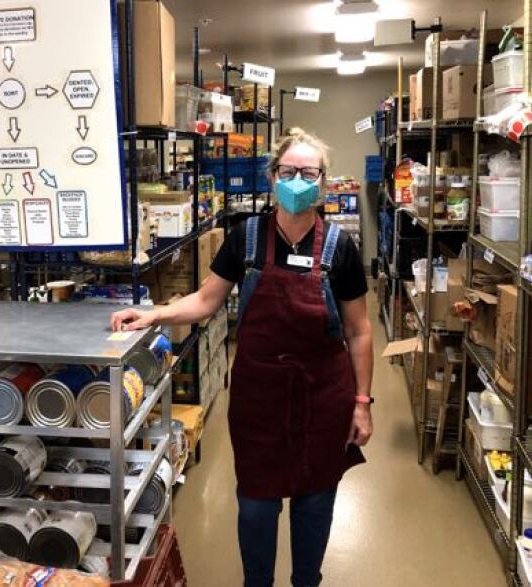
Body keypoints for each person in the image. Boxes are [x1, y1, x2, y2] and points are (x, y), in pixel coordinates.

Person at [111, 128, 373, 587]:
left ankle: (307, 581)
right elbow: (205, 301)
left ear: (323, 182)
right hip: (259, 397)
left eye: (307, 173)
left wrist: (362, 403)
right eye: (288, 171)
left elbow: (359, 330)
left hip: (323, 396)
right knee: (256, 507)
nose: (297, 181)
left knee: (314, 506)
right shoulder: (246, 239)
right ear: (273, 177)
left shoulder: (340, 248)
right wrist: (153, 313)